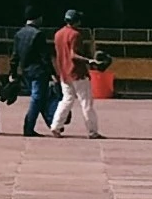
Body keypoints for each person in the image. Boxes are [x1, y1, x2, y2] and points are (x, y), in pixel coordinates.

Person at [50, 11, 102, 139]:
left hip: (64, 73)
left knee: (66, 100)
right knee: (86, 103)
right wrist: (90, 61)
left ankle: (56, 126)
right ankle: (92, 131)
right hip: (77, 73)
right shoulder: (76, 35)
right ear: (77, 21)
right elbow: (73, 55)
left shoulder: (58, 34)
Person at [15, 12, 57, 134]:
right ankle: (28, 127)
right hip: (39, 72)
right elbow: (44, 56)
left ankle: (52, 122)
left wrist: (13, 72)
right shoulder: (38, 34)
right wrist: (52, 73)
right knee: (37, 99)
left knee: (41, 98)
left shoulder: (19, 34)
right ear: (38, 19)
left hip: (25, 71)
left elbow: (15, 55)